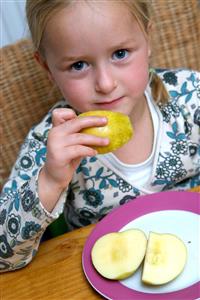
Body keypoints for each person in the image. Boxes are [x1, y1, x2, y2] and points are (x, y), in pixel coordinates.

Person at [0, 0, 199, 273]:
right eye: (79, 65)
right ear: (48, 69)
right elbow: (4, 257)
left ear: (148, 39)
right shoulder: (49, 145)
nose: (105, 84)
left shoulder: (191, 96)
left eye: (120, 53)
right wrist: (50, 181)